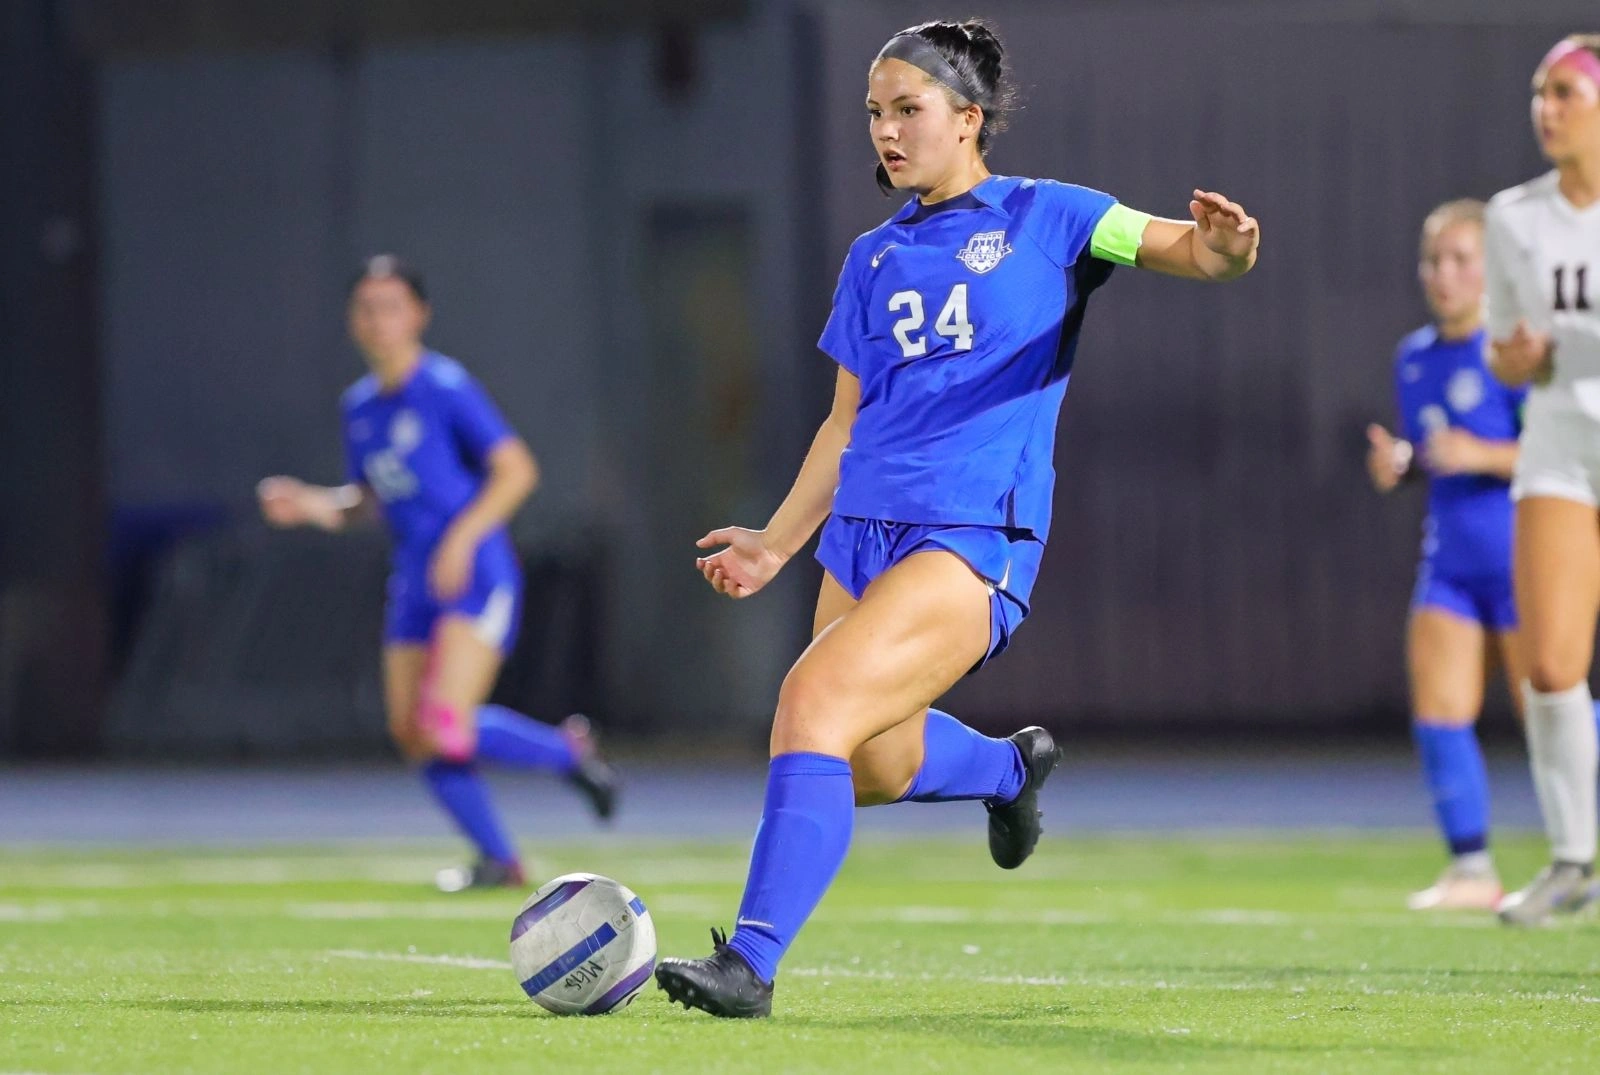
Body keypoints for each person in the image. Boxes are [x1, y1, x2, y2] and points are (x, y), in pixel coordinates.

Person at [654, 20, 1259, 1017]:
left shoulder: (1052, 215)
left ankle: (749, 963)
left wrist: (1226, 250)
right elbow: (845, 423)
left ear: (967, 119)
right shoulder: (872, 256)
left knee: (807, 706)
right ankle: (1007, 767)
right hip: (862, 532)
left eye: (907, 111)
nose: (885, 133)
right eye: (873, 115)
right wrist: (774, 539)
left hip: (970, 533)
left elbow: (1183, 250)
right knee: (869, 762)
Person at [257, 255, 616, 891]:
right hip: (415, 577)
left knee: (442, 720)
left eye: (392, 306)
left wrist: (462, 537)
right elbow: (367, 500)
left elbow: (517, 471)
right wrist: (310, 504)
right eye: (366, 308)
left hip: (474, 569)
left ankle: (567, 753)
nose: (378, 320)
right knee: (411, 732)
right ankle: (501, 862)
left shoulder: (445, 388)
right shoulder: (360, 408)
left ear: (418, 315)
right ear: (352, 321)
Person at [1366, 200, 1525, 911]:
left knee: (1553, 713)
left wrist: (1484, 453)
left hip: (1526, 558)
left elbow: (1561, 452)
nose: (1445, 274)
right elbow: (1433, 451)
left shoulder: (1517, 352)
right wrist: (1403, 464)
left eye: (1462, 260)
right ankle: (1471, 869)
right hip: (1453, 560)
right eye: (1435, 260)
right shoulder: (1415, 357)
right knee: (1439, 706)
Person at [1483, 35, 1600, 926]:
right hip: (1561, 446)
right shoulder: (1514, 215)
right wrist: (1517, 359)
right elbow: (1503, 355)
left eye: (1564, 92)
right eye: (1539, 92)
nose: (1546, 108)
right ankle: (1574, 856)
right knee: (1553, 663)